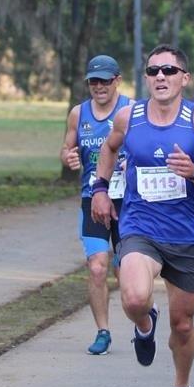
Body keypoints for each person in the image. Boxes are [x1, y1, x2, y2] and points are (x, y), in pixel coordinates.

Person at [91, 44, 194, 387]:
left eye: (169, 70)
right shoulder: (127, 117)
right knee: (133, 297)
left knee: (182, 325)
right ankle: (144, 324)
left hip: (185, 235)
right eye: (153, 71)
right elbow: (108, 149)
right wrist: (100, 188)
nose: (160, 77)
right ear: (146, 78)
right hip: (140, 227)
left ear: (185, 78)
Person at [60, 54, 132, 356]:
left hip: (128, 201)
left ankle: (143, 321)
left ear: (117, 80)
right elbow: (67, 147)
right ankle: (103, 331)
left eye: (105, 80)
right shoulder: (79, 113)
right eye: (94, 81)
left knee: (125, 271)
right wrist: (68, 156)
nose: (99, 87)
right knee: (97, 267)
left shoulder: (130, 109)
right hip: (93, 199)